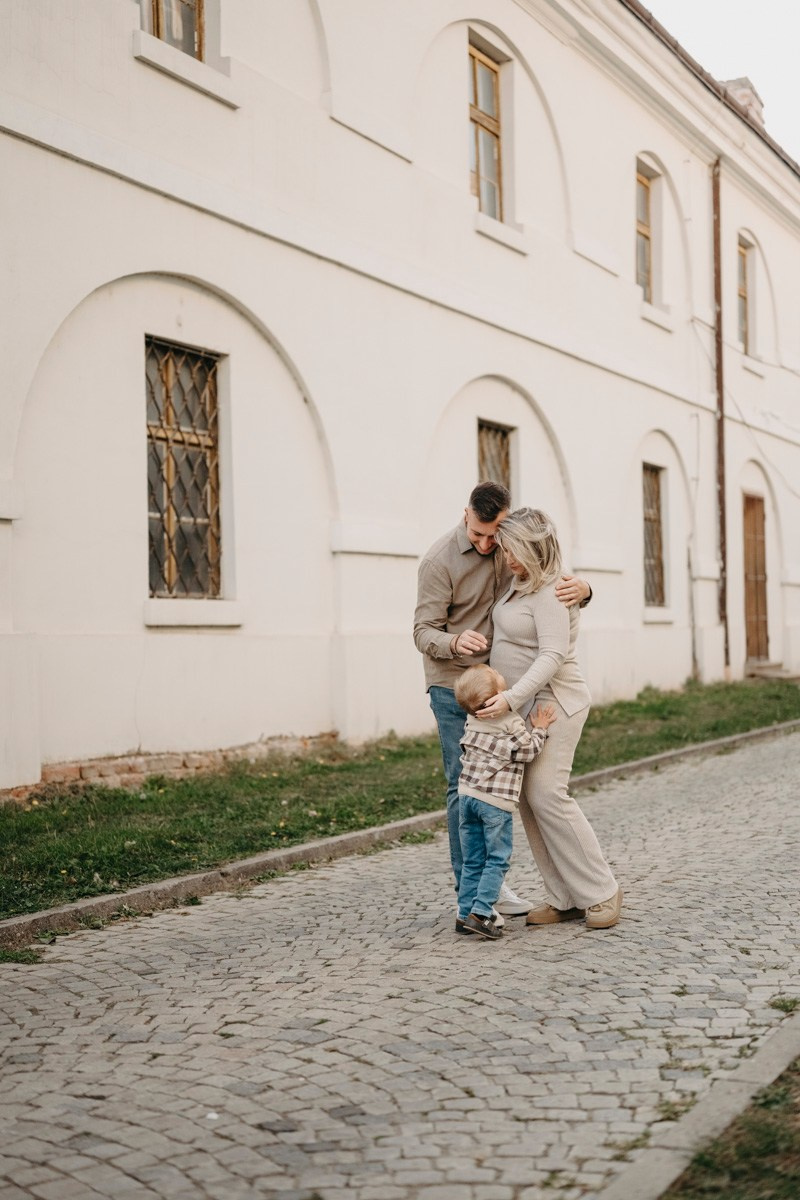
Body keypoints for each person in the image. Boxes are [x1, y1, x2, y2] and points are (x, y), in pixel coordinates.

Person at [413, 482, 591, 918]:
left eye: (495, 535)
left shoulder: (510, 546)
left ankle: (493, 882)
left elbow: (547, 584)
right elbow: (421, 632)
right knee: (465, 786)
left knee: (506, 786)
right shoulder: (439, 560)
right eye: (479, 535)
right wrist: (453, 643)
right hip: (456, 686)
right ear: (466, 514)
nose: (488, 544)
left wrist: (585, 590)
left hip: (505, 688)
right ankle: (472, 891)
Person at [478, 507, 622, 929]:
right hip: (523, 707)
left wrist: (510, 697)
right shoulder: (518, 582)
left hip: (554, 702)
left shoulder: (553, 591)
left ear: (531, 548)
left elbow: (553, 655)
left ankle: (601, 891)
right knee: (526, 799)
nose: (505, 559)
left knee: (548, 795)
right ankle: (564, 897)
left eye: (512, 551)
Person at [454, 664, 556, 940]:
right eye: (503, 686)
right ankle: (481, 912)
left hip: (466, 797)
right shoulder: (510, 722)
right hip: (494, 803)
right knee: (497, 859)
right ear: (496, 698)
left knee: (473, 860)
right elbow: (527, 751)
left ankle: (464, 913)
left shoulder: (471, 720)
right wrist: (541, 729)